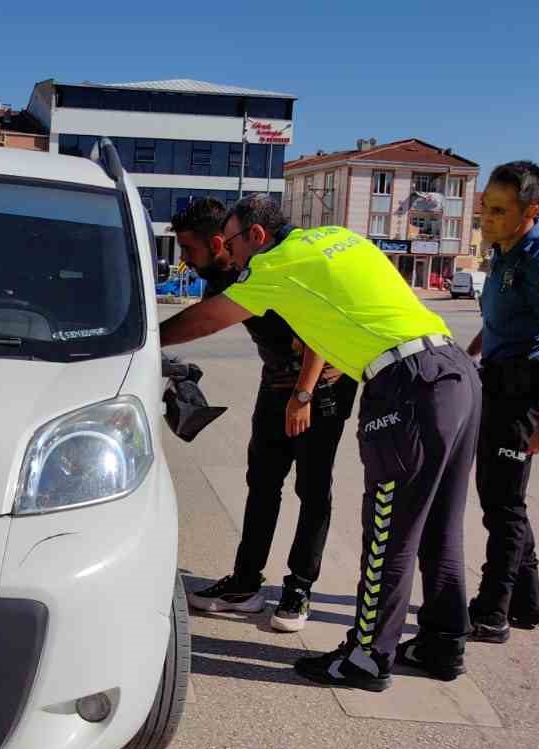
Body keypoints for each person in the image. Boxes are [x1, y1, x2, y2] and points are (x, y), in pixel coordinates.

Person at [160, 196, 480, 692]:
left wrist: (138, 338)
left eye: (235, 241)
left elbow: (203, 319)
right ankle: (442, 641)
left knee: (388, 533)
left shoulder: (272, 266)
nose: (233, 253)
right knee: (441, 524)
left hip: (406, 384)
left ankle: (368, 658)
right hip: (454, 369)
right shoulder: (336, 238)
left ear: (258, 237)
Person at [170, 198, 359, 632]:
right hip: (276, 382)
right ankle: (245, 583)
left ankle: (299, 587)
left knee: (312, 489)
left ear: (219, 242)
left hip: (321, 383)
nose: (184, 260)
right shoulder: (219, 274)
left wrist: (304, 395)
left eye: (188, 249)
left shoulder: (273, 264)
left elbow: (319, 329)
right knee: (263, 482)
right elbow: (204, 322)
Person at [463, 161, 539, 643]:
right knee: (502, 497)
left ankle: (493, 610)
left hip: (523, 388)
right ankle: (527, 602)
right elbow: (502, 319)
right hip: (496, 377)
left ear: (531, 210)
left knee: (503, 504)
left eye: (498, 210)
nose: (486, 218)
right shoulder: (505, 250)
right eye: (485, 207)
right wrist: (470, 351)